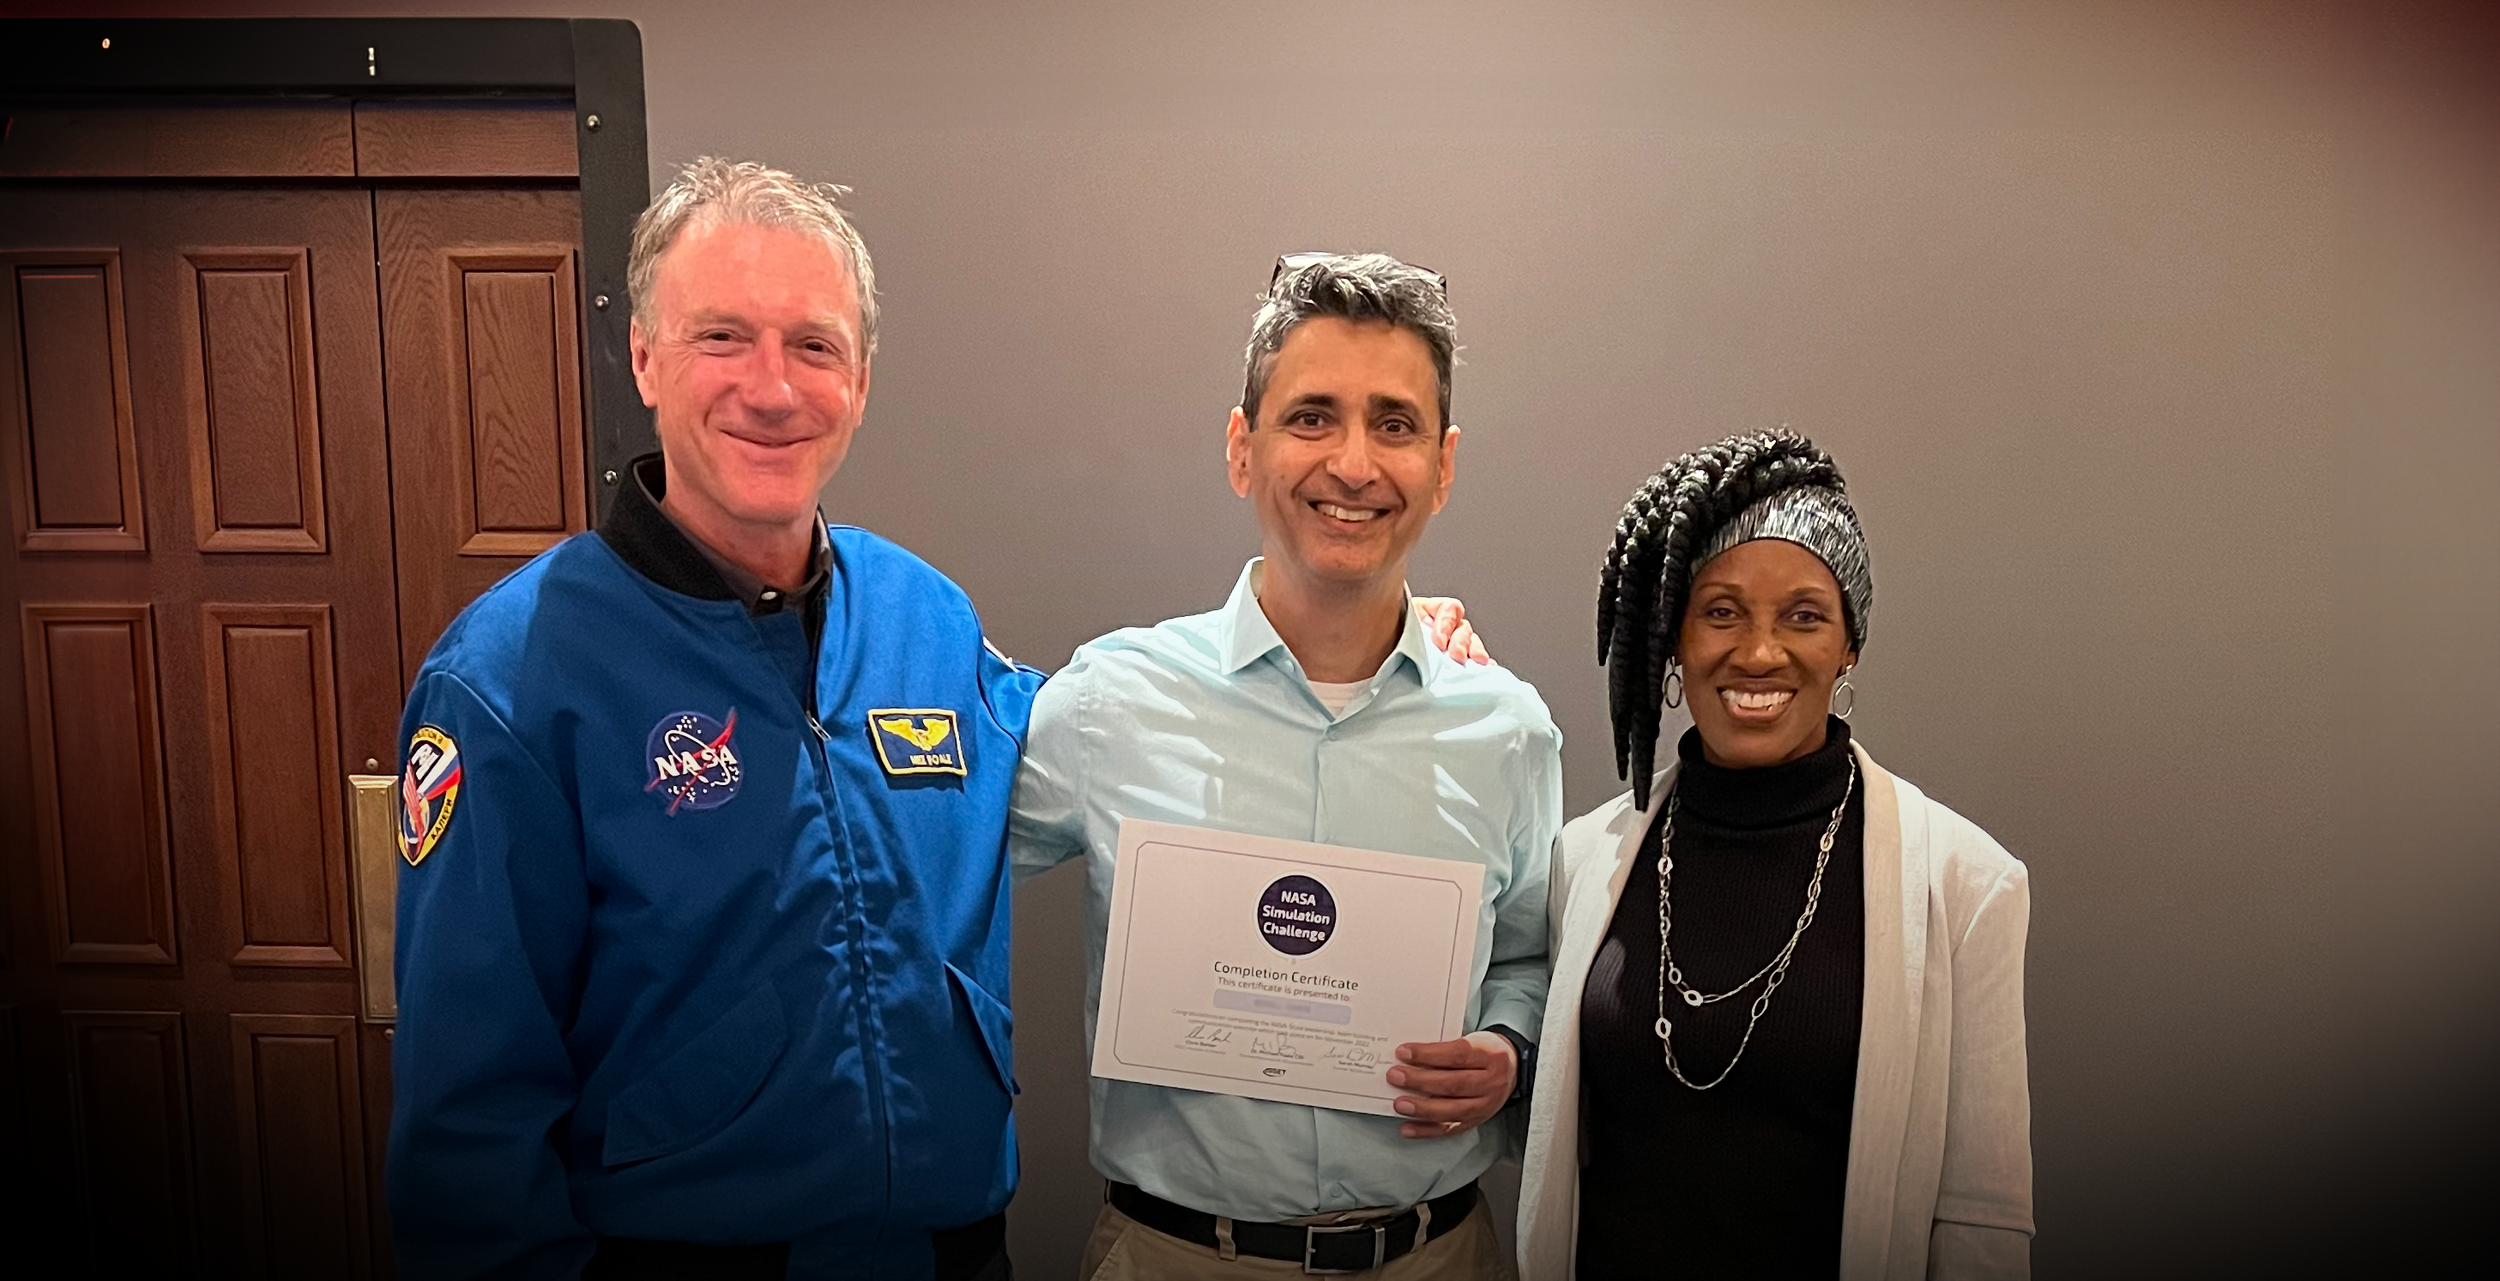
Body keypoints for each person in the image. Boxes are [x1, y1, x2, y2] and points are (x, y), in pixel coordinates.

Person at [388, 162, 1489, 1280]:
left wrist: (1367, 635)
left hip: (951, 1252)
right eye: (722, 337)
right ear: (643, 357)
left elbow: (1120, 731)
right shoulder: (512, 679)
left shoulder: (922, 615)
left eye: (814, 345)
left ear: (861, 379)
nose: (773, 388)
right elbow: (467, 1116)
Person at [1010, 253, 1560, 1279]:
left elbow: (1527, 954)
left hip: (1438, 1256)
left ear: (1442, 466)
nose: (1352, 464)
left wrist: (1507, 1049)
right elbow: (932, 863)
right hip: (1175, 1258)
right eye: (1312, 416)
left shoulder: (1508, 730)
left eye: (1394, 424)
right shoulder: (1109, 700)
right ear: (1242, 448)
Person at [1513, 430, 2033, 1279]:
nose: (1759, 652)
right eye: (1720, 611)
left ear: (1849, 642)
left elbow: (1985, 1213)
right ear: (1672, 639)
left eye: (1804, 615)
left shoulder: (1967, 885)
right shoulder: (1583, 861)